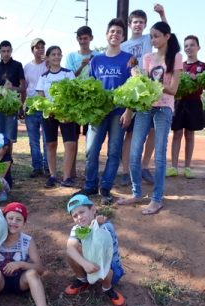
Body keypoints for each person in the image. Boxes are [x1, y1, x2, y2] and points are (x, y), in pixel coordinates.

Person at [118, 21, 182, 215]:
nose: (153, 40)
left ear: (167, 37)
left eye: (157, 36)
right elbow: (143, 86)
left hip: (164, 109)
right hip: (145, 108)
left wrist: (154, 84)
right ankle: (137, 193)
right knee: (135, 153)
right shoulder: (147, 57)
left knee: (160, 156)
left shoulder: (176, 57)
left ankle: (156, 199)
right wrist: (137, 76)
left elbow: (173, 89)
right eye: (152, 36)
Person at [73, 19, 133, 205]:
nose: (115, 34)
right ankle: (91, 185)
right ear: (107, 35)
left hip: (119, 112)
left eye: (119, 32)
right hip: (98, 113)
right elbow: (90, 87)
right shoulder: (96, 60)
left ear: (123, 37)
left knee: (114, 152)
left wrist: (129, 111)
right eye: (112, 31)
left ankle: (106, 187)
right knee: (91, 150)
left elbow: (133, 87)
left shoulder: (129, 58)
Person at [120, 5, 168, 185]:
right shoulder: (124, 45)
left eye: (141, 22)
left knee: (152, 131)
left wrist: (162, 14)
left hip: (149, 89)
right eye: (135, 22)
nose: (138, 25)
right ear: (129, 24)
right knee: (130, 133)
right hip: (131, 90)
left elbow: (166, 31)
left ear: (146, 25)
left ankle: (145, 167)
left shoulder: (149, 39)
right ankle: (126, 171)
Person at [65, 194, 126, 306]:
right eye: (75, 216)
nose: (79, 217)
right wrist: (85, 264)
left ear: (93, 209)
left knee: (100, 262)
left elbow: (101, 251)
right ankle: (83, 280)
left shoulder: (106, 226)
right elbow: (70, 248)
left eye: (82, 212)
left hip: (109, 267)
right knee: (71, 251)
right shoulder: (77, 229)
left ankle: (107, 288)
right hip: (89, 264)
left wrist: (98, 226)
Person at [167, 36, 205, 179]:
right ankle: (173, 167)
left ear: (198, 47)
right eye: (186, 46)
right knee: (177, 134)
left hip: (194, 102)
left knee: (190, 135)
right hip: (178, 102)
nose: (189, 48)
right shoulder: (180, 65)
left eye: (192, 45)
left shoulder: (204, 66)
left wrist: (196, 78)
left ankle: (187, 167)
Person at [36, 46, 78, 188]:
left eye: (59, 54)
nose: (56, 57)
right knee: (50, 144)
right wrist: (48, 110)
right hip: (49, 116)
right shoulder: (43, 77)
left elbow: (73, 94)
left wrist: (66, 112)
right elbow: (40, 98)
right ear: (47, 57)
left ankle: (66, 177)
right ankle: (53, 176)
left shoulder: (68, 73)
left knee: (70, 144)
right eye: (53, 54)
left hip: (66, 114)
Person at [66, 26, 102, 166]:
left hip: (92, 102)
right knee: (73, 137)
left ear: (91, 38)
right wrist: (81, 66)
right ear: (77, 39)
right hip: (75, 101)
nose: (83, 41)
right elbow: (68, 78)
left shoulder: (98, 56)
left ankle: (89, 170)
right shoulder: (71, 57)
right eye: (80, 39)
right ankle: (72, 169)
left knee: (90, 137)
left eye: (85, 38)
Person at [0, 40, 26, 156]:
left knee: (10, 137)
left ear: (11, 51)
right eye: (3, 51)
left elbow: (23, 88)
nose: (6, 53)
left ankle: (8, 159)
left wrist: (12, 88)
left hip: (12, 105)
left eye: (8, 51)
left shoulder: (17, 65)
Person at [21, 38, 49, 178]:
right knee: (33, 139)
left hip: (45, 105)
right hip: (31, 106)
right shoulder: (27, 67)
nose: (40, 50)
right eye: (37, 47)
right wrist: (22, 105)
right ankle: (37, 167)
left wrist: (48, 61)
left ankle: (48, 166)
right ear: (32, 50)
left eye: (42, 47)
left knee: (47, 138)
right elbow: (25, 88)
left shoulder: (48, 63)